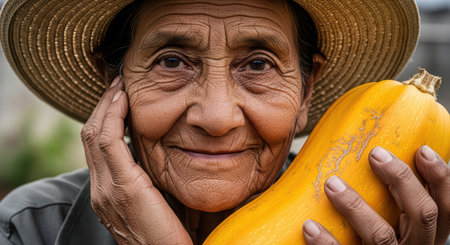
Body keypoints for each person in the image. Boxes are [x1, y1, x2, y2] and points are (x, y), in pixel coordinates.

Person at [0, 0, 448, 244]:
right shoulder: (24, 230)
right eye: (172, 61)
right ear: (111, 83)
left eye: (257, 65)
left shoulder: (399, 233)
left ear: (306, 92)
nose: (217, 118)